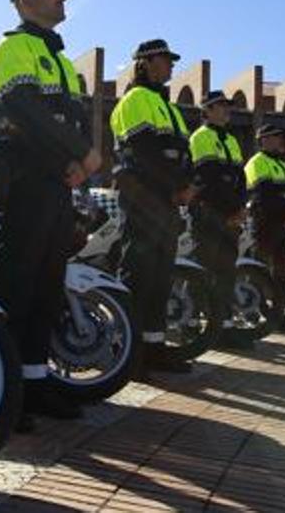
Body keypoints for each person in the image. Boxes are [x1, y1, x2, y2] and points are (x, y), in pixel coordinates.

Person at [0, 0, 101, 428]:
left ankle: (31, 383)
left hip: (54, 179)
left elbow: (68, 118)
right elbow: (24, 112)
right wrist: (81, 154)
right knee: (13, 282)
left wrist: (74, 163)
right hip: (26, 176)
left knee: (46, 286)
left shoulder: (60, 59)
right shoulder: (13, 48)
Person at [110, 39, 195, 374]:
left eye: (171, 61)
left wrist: (185, 186)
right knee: (138, 274)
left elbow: (183, 155)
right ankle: (127, 353)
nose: (171, 65)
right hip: (144, 199)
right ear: (145, 62)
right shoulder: (134, 100)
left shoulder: (168, 107)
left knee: (161, 276)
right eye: (164, 60)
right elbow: (143, 154)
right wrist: (176, 187)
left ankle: (154, 347)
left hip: (168, 201)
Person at [187, 91, 247, 345]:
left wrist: (240, 207)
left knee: (225, 271)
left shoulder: (231, 140)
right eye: (221, 106)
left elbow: (240, 178)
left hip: (230, 215)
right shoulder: (201, 137)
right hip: (209, 211)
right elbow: (208, 179)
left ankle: (223, 325)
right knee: (203, 268)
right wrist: (233, 209)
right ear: (207, 110)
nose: (226, 110)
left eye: (227, 106)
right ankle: (190, 323)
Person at [244, 124, 285, 324]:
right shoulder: (256, 163)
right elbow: (263, 196)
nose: (279, 141)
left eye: (279, 137)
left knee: (282, 271)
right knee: (259, 268)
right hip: (265, 224)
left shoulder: (284, 165)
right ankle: (252, 310)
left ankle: (279, 311)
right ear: (264, 140)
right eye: (275, 137)